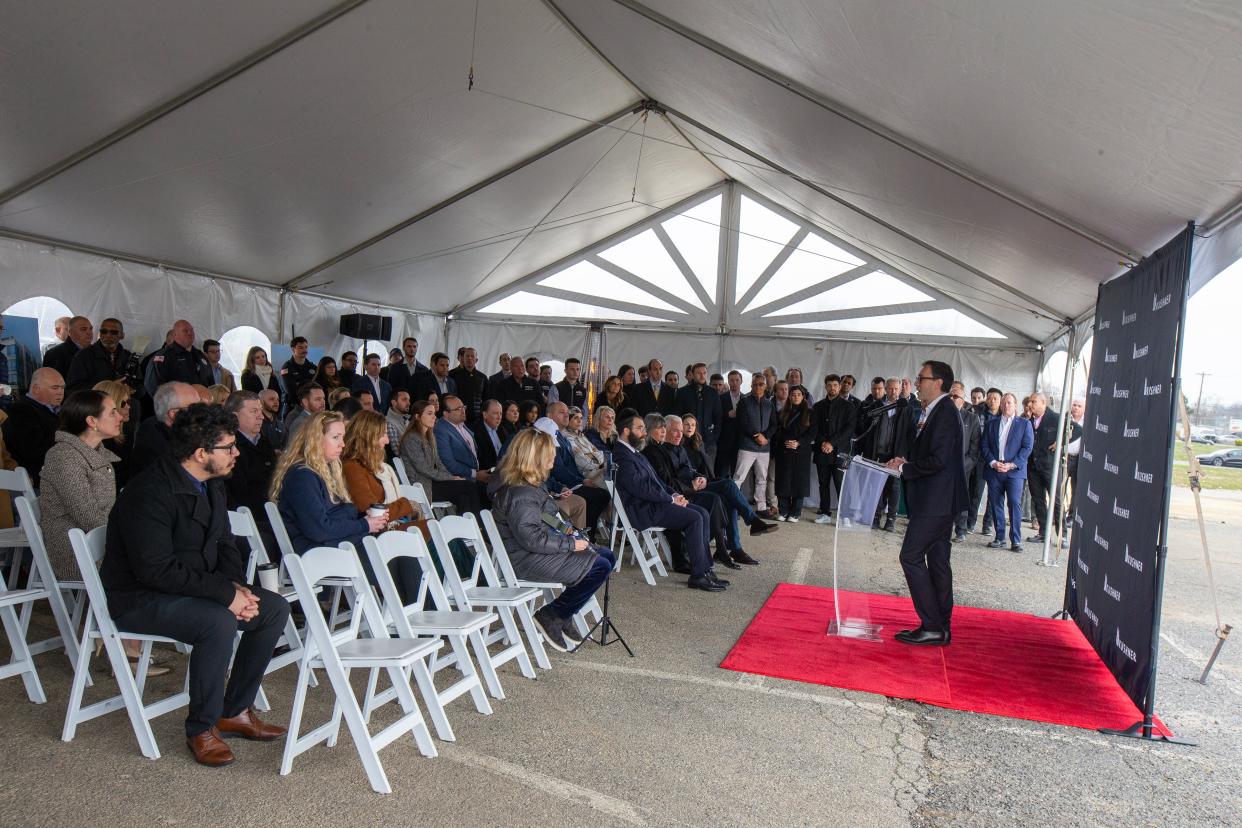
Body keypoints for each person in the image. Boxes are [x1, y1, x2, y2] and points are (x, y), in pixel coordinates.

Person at [102, 403, 291, 766]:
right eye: (229, 447)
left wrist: (237, 587)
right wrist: (226, 596)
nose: (237, 452)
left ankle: (235, 711)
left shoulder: (211, 483)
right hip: (140, 598)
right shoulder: (148, 492)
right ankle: (201, 728)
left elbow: (225, 542)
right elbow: (155, 571)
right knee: (217, 621)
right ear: (201, 453)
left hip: (190, 587)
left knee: (274, 609)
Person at [489, 428, 616, 652]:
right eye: (550, 453)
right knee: (600, 565)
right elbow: (531, 539)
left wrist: (568, 531)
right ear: (536, 458)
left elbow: (546, 518)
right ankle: (554, 614)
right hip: (526, 559)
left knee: (607, 556)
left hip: (537, 551)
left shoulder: (530, 485)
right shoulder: (521, 493)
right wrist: (570, 544)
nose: (555, 457)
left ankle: (563, 613)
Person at [885, 361, 968, 646]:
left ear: (939, 383)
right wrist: (906, 462)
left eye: (922, 378)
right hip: (937, 499)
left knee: (910, 556)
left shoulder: (945, 412)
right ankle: (941, 625)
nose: (917, 382)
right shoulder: (932, 411)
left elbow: (939, 460)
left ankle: (933, 624)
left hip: (938, 501)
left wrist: (906, 469)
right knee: (938, 561)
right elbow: (929, 454)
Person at [612, 410, 726, 592]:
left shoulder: (635, 453)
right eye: (640, 428)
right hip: (643, 510)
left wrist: (674, 495)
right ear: (626, 431)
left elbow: (657, 482)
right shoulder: (621, 456)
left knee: (702, 513)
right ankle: (697, 576)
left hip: (655, 503)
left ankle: (706, 570)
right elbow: (640, 489)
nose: (644, 432)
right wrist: (669, 500)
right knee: (695, 518)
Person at [271, 410, 388, 557]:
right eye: (335, 437)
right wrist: (364, 524)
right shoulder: (302, 476)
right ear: (316, 439)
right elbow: (319, 529)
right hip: (315, 553)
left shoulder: (325, 470)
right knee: (386, 548)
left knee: (390, 545)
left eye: (342, 437)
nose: (343, 444)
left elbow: (333, 518)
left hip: (330, 545)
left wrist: (365, 517)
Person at [340, 410, 423, 597]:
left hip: (386, 530)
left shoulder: (367, 465)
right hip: (374, 534)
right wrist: (407, 504)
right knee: (424, 537)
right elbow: (371, 511)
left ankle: (429, 603)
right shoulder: (352, 467)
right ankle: (423, 606)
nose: (387, 441)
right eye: (383, 435)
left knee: (434, 531)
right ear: (368, 437)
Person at [667, 414, 773, 561]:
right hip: (690, 488)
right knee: (729, 485)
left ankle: (736, 547)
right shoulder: (677, 445)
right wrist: (696, 481)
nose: (689, 427)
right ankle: (751, 523)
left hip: (703, 482)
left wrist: (702, 478)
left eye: (693, 424)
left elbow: (700, 470)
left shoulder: (698, 443)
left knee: (729, 497)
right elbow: (681, 473)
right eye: (686, 424)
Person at [399, 400, 485, 516]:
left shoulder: (430, 436)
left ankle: (465, 531)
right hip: (424, 485)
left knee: (464, 496)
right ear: (418, 416)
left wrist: (452, 477)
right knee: (469, 486)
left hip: (435, 482)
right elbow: (423, 469)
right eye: (429, 413)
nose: (434, 417)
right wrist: (450, 478)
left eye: (434, 413)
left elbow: (439, 463)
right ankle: (478, 527)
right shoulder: (411, 439)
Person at [223, 391, 279, 554]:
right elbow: (239, 493)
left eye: (260, 411)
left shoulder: (264, 441)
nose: (261, 416)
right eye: (254, 411)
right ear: (234, 416)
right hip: (249, 517)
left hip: (271, 510)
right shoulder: (228, 448)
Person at [541, 402, 611, 532]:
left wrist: (581, 480)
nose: (566, 414)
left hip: (571, 481)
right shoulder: (547, 437)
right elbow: (557, 469)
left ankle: (587, 534)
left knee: (603, 494)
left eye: (567, 412)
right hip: (563, 483)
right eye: (562, 412)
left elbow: (574, 464)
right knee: (598, 495)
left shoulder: (561, 437)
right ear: (549, 416)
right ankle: (587, 535)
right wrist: (580, 481)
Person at [983, 393, 1034, 552]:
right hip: (995, 469)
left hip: (1014, 472)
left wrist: (1012, 465)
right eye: (1004, 403)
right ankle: (999, 538)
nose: (1006, 405)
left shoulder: (1024, 424)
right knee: (996, 504)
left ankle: (1016, 541)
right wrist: (993, 462)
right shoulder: (992, 423)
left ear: (1015, 405)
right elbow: (984, 445)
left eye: (1009, 403)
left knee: (1014, 503)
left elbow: (1027, 448)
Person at [1, 367, 65, 486]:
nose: (60, 392)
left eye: (62, 388)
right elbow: (33, 452)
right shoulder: (20, 411)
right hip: (38, 483)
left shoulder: (58, 410)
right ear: (36, 389)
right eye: (55, 388)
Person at [863, 378, 910, 531]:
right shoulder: (877, 406)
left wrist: (904, 455)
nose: (893, 392)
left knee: (894, 487)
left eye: (896, 389)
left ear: (900, 389)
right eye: (890, 388)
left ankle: (891, 520)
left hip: (895, 455)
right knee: (877, 486)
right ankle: (876, 517)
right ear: (885, 389)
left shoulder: (905, 408)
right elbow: (867, 430)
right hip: (878, 453)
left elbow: (911, 433)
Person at [812, 374, 856, 524]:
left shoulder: (849, 407)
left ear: (840, 386)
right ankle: (824, 513)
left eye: (835, 385)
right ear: (825, 386)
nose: (833, 388)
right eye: (829, 385)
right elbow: (815, 428)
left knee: (840, 483)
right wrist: (823, 443)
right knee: (823, 483)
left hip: (840, 452)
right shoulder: (818, 406)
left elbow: (848, 429)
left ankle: (845, 516)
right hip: (822, 450)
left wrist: (831, 443)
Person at [131, 381, 199, 477]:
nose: (202, 413)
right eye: (195, 409)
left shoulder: (170, 433)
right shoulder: (156, 445)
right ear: (174, 414)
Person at [732, 374, 776, 518]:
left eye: (761, 384)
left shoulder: (770, 404)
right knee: (738, 477)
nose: (758, 387)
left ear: (765, 386)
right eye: (755, 384)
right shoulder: (744, 402)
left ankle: (761, 507)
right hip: (747, 446)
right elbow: (742, 423)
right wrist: (757, 436)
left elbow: (774, 425)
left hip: (764, 448)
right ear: (751, 385)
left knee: (762, 478)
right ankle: (734, 507)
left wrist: (766, 437)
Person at [772, 385, 816, 522]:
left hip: (801, 452)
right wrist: (786, 440)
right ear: (789, 397)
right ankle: (783, 510)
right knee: (783, 480)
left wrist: (799, 442)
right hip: (784, 451)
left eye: (798, 394)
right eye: (793, 394)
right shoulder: (782, 412)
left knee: (799, 482)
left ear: (803, 397)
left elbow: (812, 433)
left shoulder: (810, 413)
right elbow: (777, 430)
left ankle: (795, 513)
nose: (795, 397)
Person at [1025, 393, 1061, 543]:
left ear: (1044, 402)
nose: (1031, 404)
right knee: (1038, 501)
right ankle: (1043, 532)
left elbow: (1077, 430)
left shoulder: (1056, 418)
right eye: (1029, 402)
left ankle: (1061, 535)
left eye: (1034, 401)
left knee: (1056, 500)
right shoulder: (1027, 420)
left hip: (1049, 466)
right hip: (1033, 467)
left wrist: (1061, 443)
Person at [949, 383, 983, 543]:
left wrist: (963, 466)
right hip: (942, 465)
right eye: (950, 396)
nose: (952, 399)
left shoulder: (972, 418)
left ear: (963, 401)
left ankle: (961, 529)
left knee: (961, 497)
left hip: (963, 466)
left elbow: (975, 449)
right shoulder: (940, 416)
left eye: (955, 397)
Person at [675, 362, 723, 470]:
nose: (702, 375)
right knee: (688, 469)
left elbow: (718, 417)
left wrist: (714, 437)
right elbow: (678, 416)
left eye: (704, 373)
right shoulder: (682, 392)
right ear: (692, 374)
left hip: (709, 441)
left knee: (708, 471)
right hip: (687, 441)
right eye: (699, 373)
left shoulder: (713, 393)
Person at [66, 317, 132, 393]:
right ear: (99, 333)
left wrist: (131, 389)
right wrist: (108, 387)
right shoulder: (83, 356)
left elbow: (141, 387)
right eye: (104, 331)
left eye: (114, 332)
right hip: (95, 403)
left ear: (122, 335)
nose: (108, 335)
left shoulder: (128, 357)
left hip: (124, 403)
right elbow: (72, 388)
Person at [94, 379, 136, 486]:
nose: (128, 407)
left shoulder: (125, 430)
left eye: (128, 402)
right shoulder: (98, 442)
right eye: (122, 403)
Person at [150, 319, 213, 389]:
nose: (190, 333)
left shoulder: (200, 355)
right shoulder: (164, 356)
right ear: (175, 335)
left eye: (192, 330)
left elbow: (211, 382)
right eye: (185, 331)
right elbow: (155, 387)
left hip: (204, 399)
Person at [561, 406, 606, 485]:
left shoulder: (581, 435)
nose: (579, 421)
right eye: (576, 418)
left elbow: (601, 454)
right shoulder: (566, 438)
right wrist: (594, 456)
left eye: (581, 418)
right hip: (584, 476)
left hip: (597, 470)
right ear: (568, 419)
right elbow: (585, 463)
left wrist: (591, 455)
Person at [716, 369, 745, 479]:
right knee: (721, 472)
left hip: (741, 440)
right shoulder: (720, 398)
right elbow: (716, 417)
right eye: (731, 380)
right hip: (724, 440)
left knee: (737, 473)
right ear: (728, 381)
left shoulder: (746, 398)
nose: (734, 383)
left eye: (737, 380)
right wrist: (727, 415)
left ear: (741, 381)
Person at [448, 347, 487, 422]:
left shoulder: (482, 377)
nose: (469, 358)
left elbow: (486, 398)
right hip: (458, 416)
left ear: (476, 360)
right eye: (467, 356)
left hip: (477, 417)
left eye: (472, 356)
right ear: (463, 359)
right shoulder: (453, 375)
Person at [279, 336, 316, 411]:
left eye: (306, 347)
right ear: (293, 349)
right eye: (300, 347)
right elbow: (290, 391)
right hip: (294, 407)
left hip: (312, 404)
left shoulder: (313, 367)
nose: (304, 350)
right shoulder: (286, 368)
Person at [471, 399, 506, 471]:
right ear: (485, 415)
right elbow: (482, 461)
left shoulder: (502, 430)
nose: (499, 417)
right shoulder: (475, 432)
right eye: (495, 413)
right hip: (489, 472)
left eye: (501, 413)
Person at [386, 389, 412, 454]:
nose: (408, 403)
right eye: (404, 400)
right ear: (394, 402)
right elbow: (397, 452)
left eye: (409, 400)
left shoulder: (407, 420)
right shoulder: (389, 422)